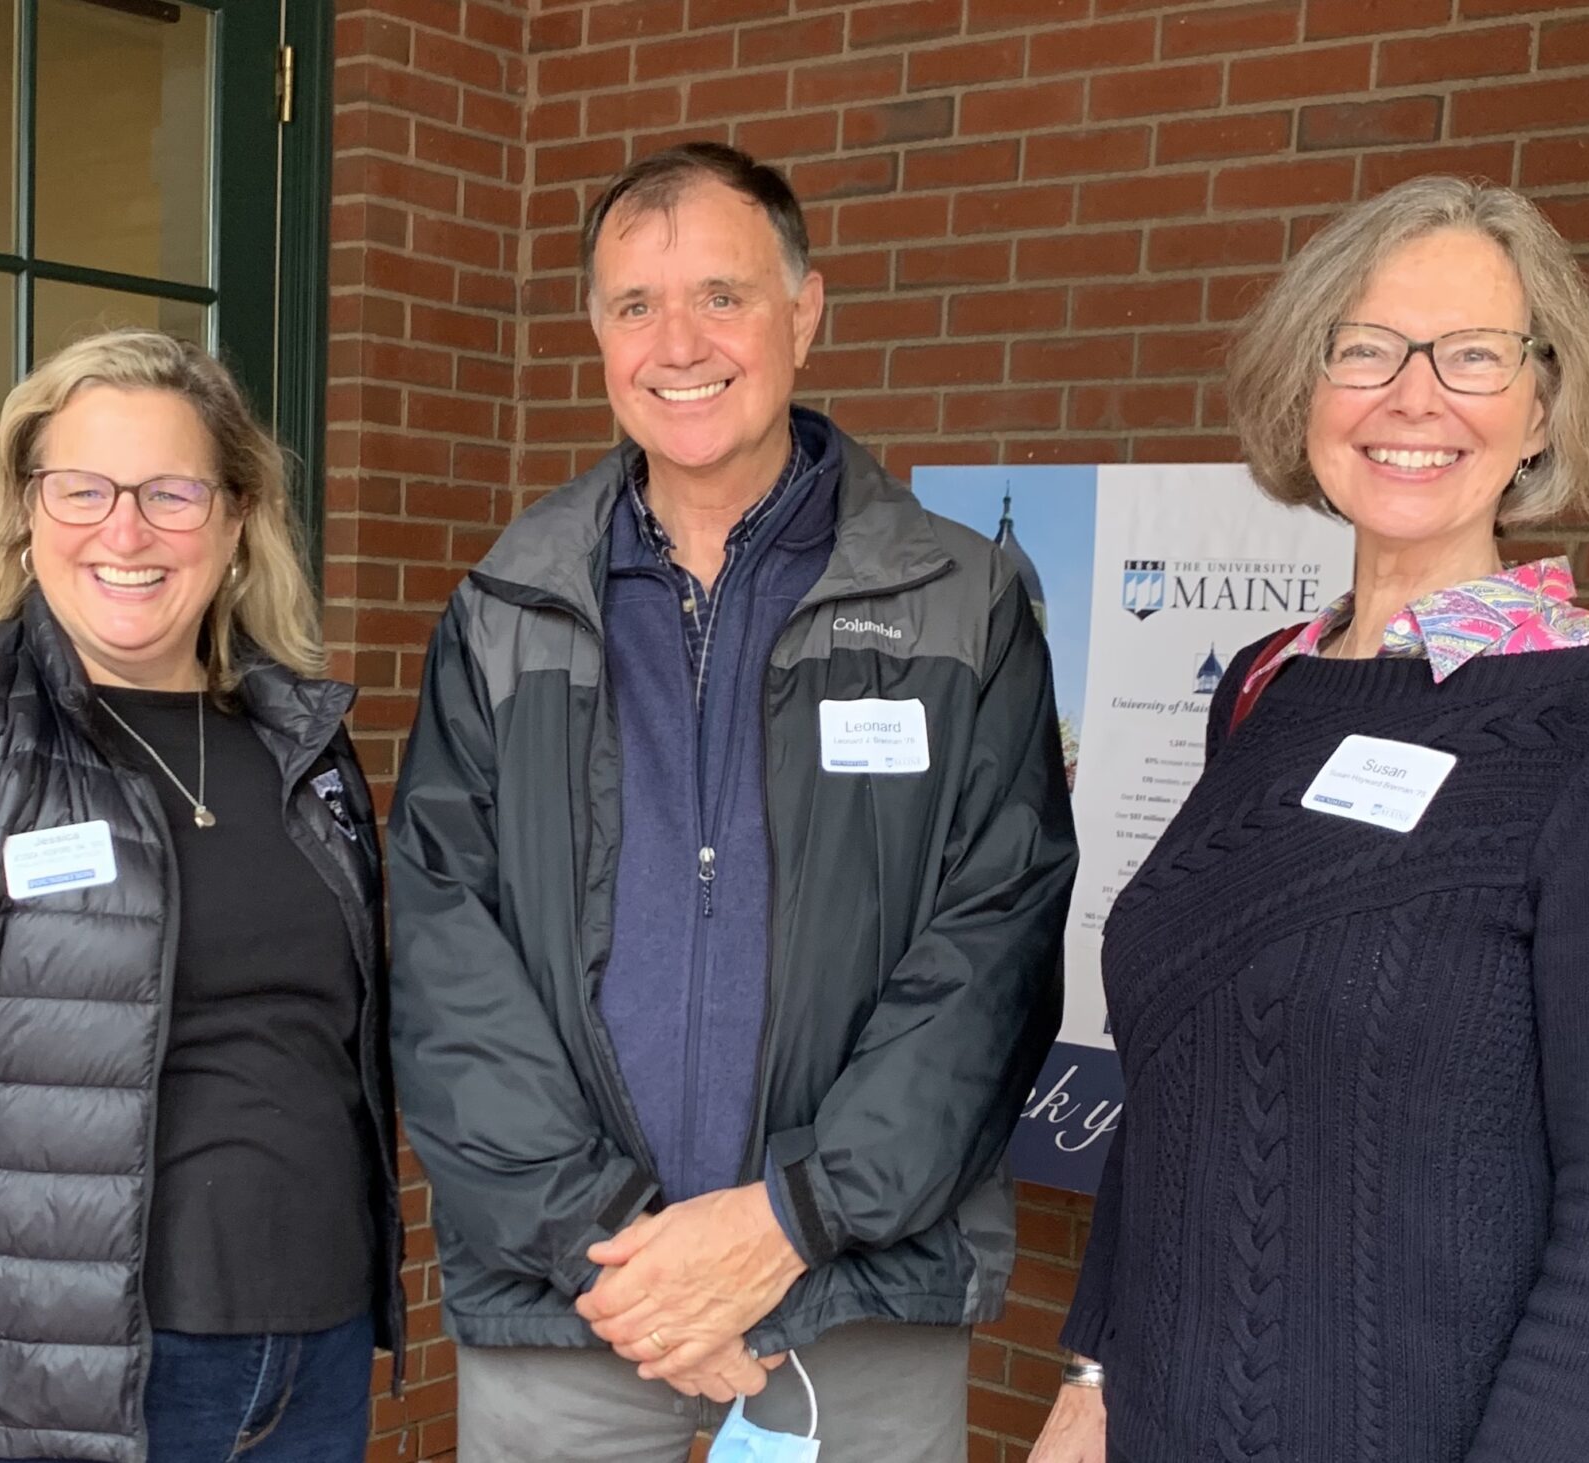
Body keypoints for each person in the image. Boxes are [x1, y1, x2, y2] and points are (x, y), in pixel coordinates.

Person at [1032, 173, 1589, 1463]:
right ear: (1304, 389)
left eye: (1472, 354)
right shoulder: (1261, 690)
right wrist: (1093, 1372)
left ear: (1539, 407)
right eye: (1363, 348)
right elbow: (1181, 1080)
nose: (1412, 396)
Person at [389, 141, 1077, 1462]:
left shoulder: (962, 603)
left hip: (851, 1303)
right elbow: (446, 959)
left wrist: (788, 1217)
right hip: (572, 1308)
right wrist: (614, 1250)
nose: (678, 342)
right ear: (596, 332)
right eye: (634, 304)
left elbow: (994, 945)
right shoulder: (502, 609)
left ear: (803, 313)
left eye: (722, 294)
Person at [0, 329, 404, 1463]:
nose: (125, 530)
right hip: (73, 1378)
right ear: (26, 510)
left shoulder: (298, 741)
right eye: (83, 489)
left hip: (315, 1352)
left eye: (171, 492)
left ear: (237, 517)